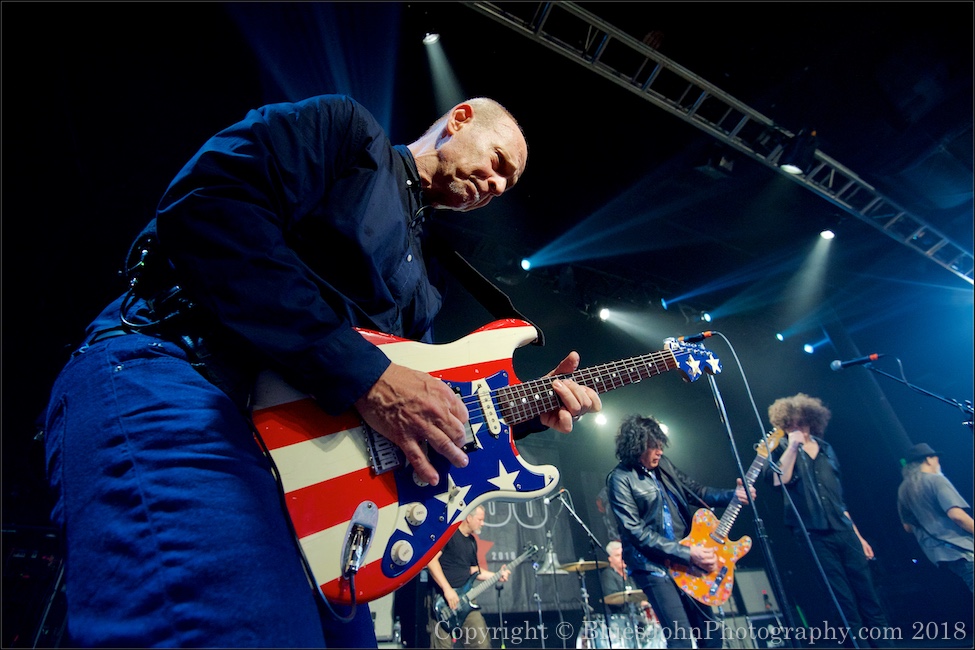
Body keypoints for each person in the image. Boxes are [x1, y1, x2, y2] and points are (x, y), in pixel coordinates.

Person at [42, 94, 602, 648]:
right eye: (498, 162)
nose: (498, 185)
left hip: (307, 466)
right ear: (459, 121)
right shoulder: (347, 133)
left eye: (508, 183)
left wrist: (522, 411)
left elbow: (411, 403)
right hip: (181, 376)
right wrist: (365, 374)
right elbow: (209, 205)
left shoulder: (428, 279)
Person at [606, 414, 755, 649]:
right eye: (653, 446)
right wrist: (687, 553)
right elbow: (635, 532)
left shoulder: (664, 466)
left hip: (685, 563)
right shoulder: (620, 479)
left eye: (660, 445)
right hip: (653, 567)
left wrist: (732, 495)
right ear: (636, 447)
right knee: (681, 639)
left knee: (711, 634)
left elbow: (697, 491)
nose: (659, 451)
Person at [762, 392, 890, 646]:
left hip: (844, 531)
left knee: (870, 597)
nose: (795, 428)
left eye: (799, 423)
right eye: (789, 425)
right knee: (843, 603)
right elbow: (778, 480)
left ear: (810, 420)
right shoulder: (780, 450)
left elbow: (839, 499)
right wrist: (793, 446)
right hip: (814, 536)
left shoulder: (828, 450)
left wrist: (859, 536)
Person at [897, 442, 974, 593]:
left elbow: (907, 527)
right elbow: (957, 516)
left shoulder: (903, 490)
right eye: (936, 458)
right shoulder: (935, 480)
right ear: (928, 459)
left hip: (939, 553)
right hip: (962, 548)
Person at [426, 505, 507, 649]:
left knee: (481, 643)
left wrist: (496, 575)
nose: (482, 523)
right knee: (442, 646)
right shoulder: (448, 534)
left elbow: (471, 570)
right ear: (469, 518)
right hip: (443, 600)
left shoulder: (471, 542)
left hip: (465, 600)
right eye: (480, 519)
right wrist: (447, 589)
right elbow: (431, 561)